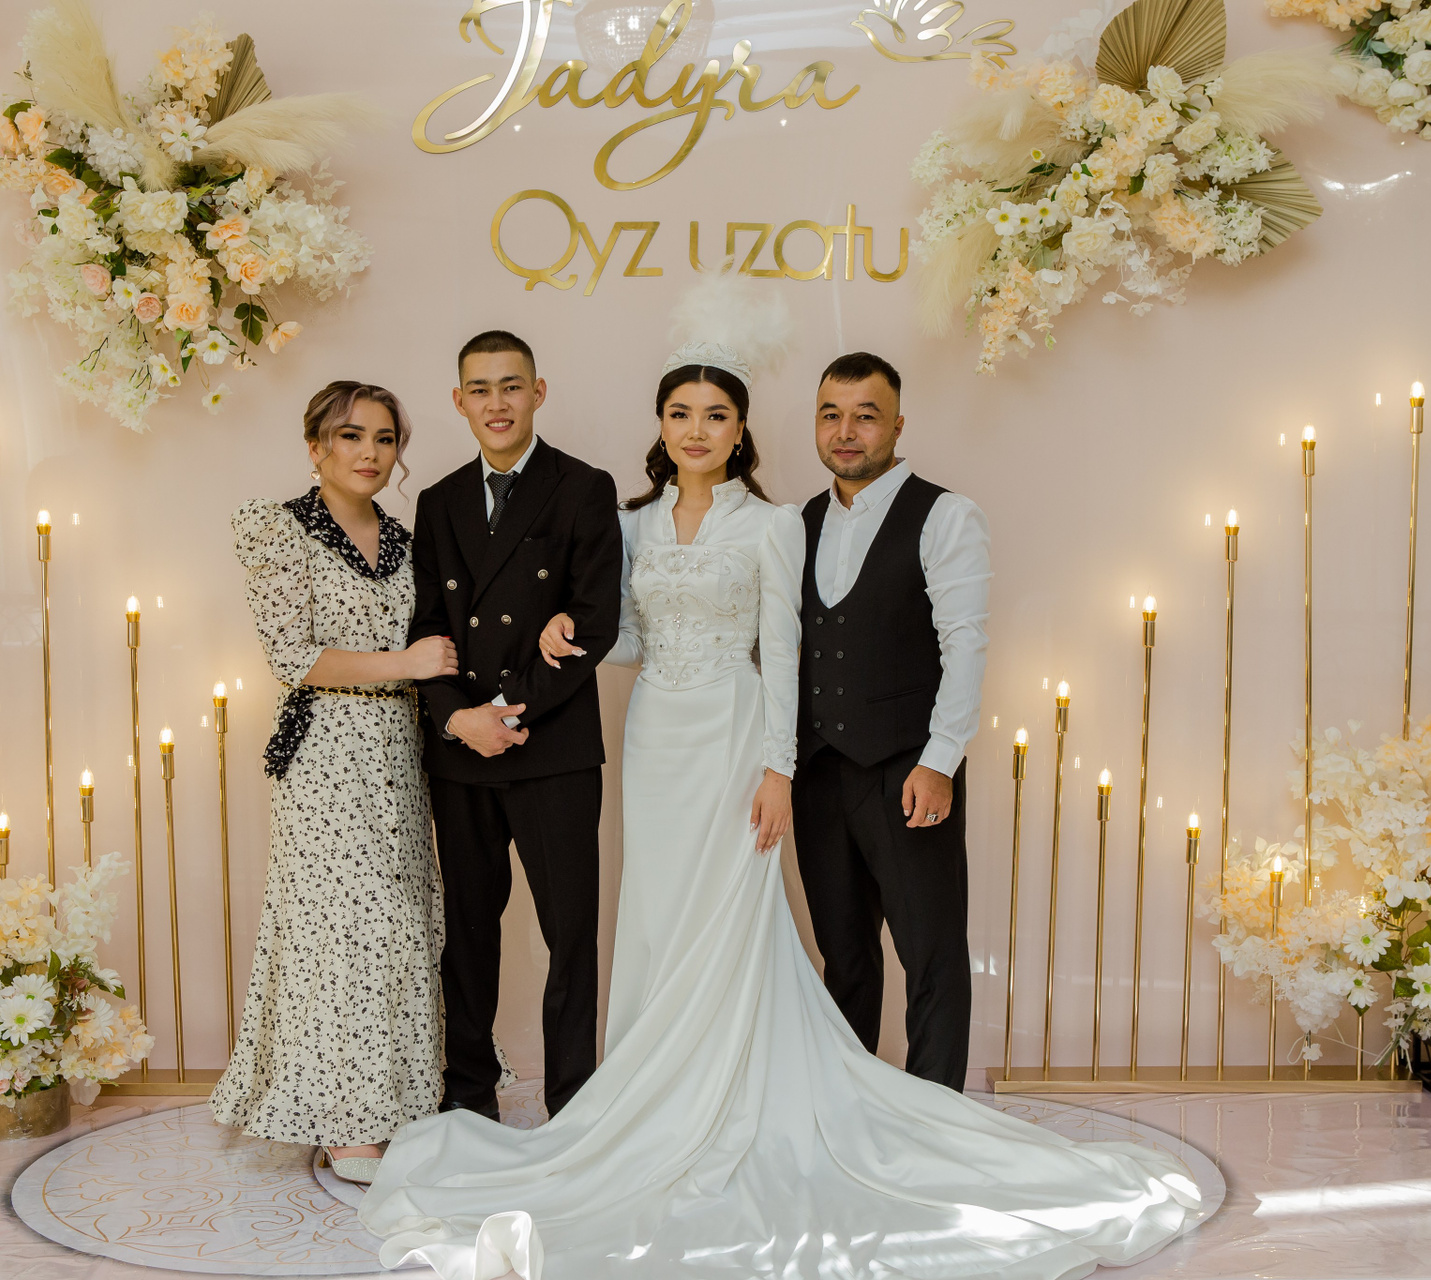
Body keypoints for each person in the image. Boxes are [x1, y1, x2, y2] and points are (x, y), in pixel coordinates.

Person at [355, 335, 1200, 1280]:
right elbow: (626, 633)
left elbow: (784, 654)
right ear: (661, 427)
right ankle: (650, 1093)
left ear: (742, 429)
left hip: (733, 729)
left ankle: (751, 1095)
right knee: (656, 914)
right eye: (681, 414)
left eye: (716, 415)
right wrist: (568, 631)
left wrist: (777, 769)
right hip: (656, 735)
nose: (697, 430)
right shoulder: (633, 523)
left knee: (732, 911)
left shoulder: (774, 525)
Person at [211, 381, 457, 1187]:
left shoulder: (407, 540)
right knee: (339, 928)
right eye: (351, 436)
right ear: (316, 446)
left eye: (385, 439)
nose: (369, 453)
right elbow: (292, 655)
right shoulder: (280, 528)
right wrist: (407, 663)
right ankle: (345, 1122)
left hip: (399, 754)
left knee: (399, 923)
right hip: (326, 753)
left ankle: (399, 1105)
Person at [407, 330, 623, 1123]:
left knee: (570, 934)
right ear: (458, 401)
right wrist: (458, 718)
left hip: (551, 746)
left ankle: (573, 1104)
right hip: (463, 750)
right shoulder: (438, 502)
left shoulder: (583, 487)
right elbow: (425, 628)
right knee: (466, 933)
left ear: (538, 392)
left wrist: (508, 711)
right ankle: (469, 1099)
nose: (496, 403)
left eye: (510, 386)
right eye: (480, 389)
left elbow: (594, 622)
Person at [792, 351, 993, 1091]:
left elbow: (965, 643)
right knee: (843, 954)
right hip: (819, 772)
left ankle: (936, 1112)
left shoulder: (945, 515)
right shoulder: (801, 521)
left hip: (909, 767)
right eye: (831, 415)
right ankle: (853, 1105)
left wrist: (940, 761)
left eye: (865, 417)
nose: (846, 432)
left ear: (898, 426)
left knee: (930, 951)